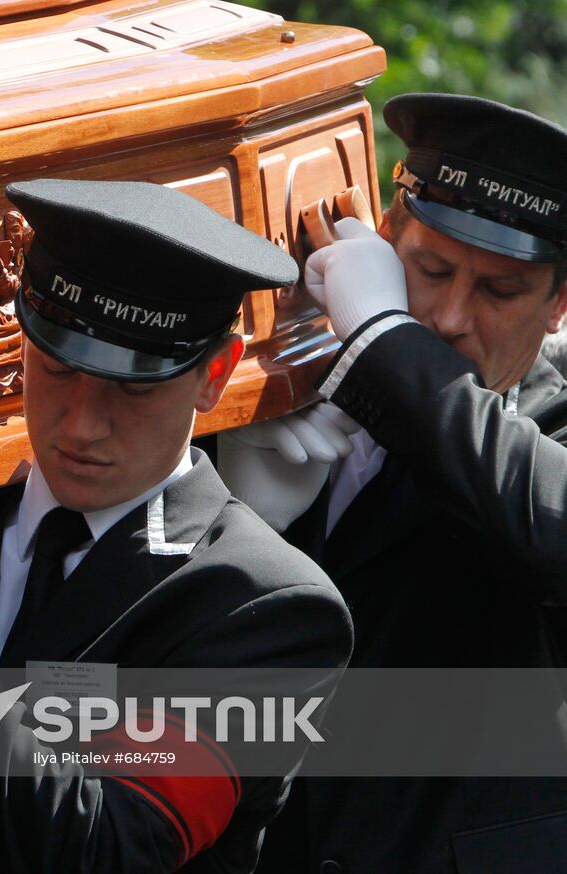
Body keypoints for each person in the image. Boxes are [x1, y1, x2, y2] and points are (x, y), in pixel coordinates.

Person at [0, 179, 354, 872]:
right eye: (55, 368)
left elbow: (102, 847)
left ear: (214, 374)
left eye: (133, 387)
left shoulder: (266, 611)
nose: (81, 425)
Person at [218, 94, 567, 874]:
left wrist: (383, 341)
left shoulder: (549, 426)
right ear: (382, 240)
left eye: (499, 291)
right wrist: (238, 525)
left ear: (559, 305)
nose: (446, 317)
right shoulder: (278, 399)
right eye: (428, 269)